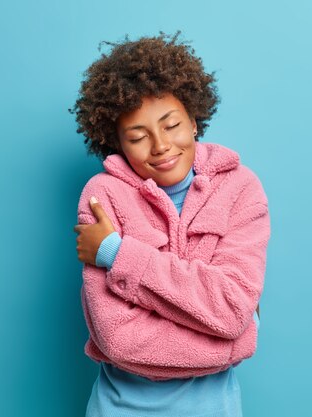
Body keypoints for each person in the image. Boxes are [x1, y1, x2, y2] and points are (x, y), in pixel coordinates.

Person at [70, 31, 271, 417]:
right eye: (138, 136)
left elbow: (230, 308)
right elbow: (118, 339)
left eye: (172, 125)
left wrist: (117, 252)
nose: (161, 145)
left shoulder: (241, 189)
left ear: (194, 120)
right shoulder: (102, 196)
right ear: (117, 143)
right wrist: (235, 341)